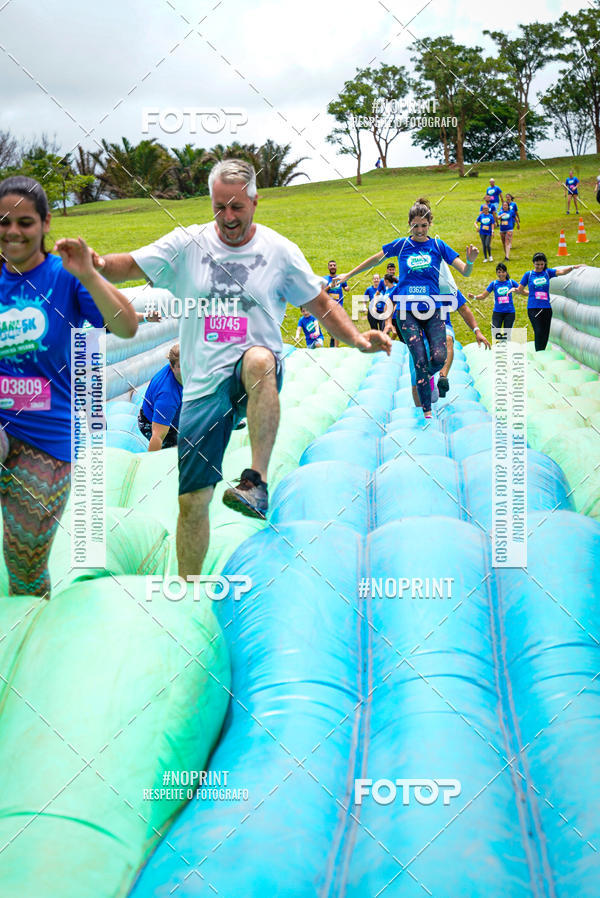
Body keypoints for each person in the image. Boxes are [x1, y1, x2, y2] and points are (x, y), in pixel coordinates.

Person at [92, 159, 391, 576]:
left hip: (257, 370)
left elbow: (320, 303)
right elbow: (131, 264)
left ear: (255, 201)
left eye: (237, 207)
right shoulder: (187, 245)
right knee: (192, 502)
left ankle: (256, 481)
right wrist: (97, 265)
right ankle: (188, 585)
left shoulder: (279, 252)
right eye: (219, 207)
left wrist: (357, 339)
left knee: (258, 359)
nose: (228, 217)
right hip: (202, 386)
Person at [0, 176, 137, 596]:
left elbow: (127, 327)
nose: (12, 232)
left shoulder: (64, 276)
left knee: (24, 568)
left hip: (46, 444)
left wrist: (91, 275)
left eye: (25, 222)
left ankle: (32, 637)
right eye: (3, 222)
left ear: (45, 224)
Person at [336, 197, 477, 419]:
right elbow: (375, 260)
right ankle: (427, 413)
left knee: (439, 358)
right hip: (406, 311)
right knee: (419, 359)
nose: (419, 230)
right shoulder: (402, 245)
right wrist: (348, 274)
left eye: (423, 225)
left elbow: (465, 272)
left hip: (433, 310)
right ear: (409, 224)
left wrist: (469, 262)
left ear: (430, 224)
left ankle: (426, 376)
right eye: (415, 225)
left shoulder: (439, 246)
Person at [511, 253, 583, 351]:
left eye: (542, 264)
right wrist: (517, 290)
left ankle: (542, 351)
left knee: (545, 333)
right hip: (533, 308)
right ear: (533, 263)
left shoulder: (547, 272)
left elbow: (562, 272)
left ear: (544, 263)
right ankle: (538, 352)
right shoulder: (529, 275)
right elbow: (520, 290)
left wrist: (573, 267)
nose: (540, 267)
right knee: (539, 331)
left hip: (546, 308)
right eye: (537, 264)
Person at [138, 343, 183, 450]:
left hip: (179, 413)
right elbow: (157, 437)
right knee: (173, 453)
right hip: (151, 422)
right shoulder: (167, 396)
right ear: (172, 367)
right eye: (181, 366)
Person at [469, 262, 518, 342]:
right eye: (499, 272)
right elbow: (483, 296)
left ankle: (506, 349)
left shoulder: (511, 282)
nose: (501, 274)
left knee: (507, 335)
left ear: (506, 272)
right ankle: (502, 344)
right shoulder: (494, 284)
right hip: (497, 313)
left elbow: (521, 290)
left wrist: (517, 290)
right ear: (496, 273)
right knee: (495, 334)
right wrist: (474, 297)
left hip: (510, 313)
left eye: (503, 272)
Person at [323, 259, 349, 347]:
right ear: (328, 267)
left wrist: (347, 288)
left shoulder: (340, 278)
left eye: (334, 265)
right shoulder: (325, 279)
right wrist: (330, 286)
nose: (333, 267)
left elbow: (346, 287)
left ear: (336, 267)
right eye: (331, 265)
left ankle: (335, 347)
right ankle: (334, 340)